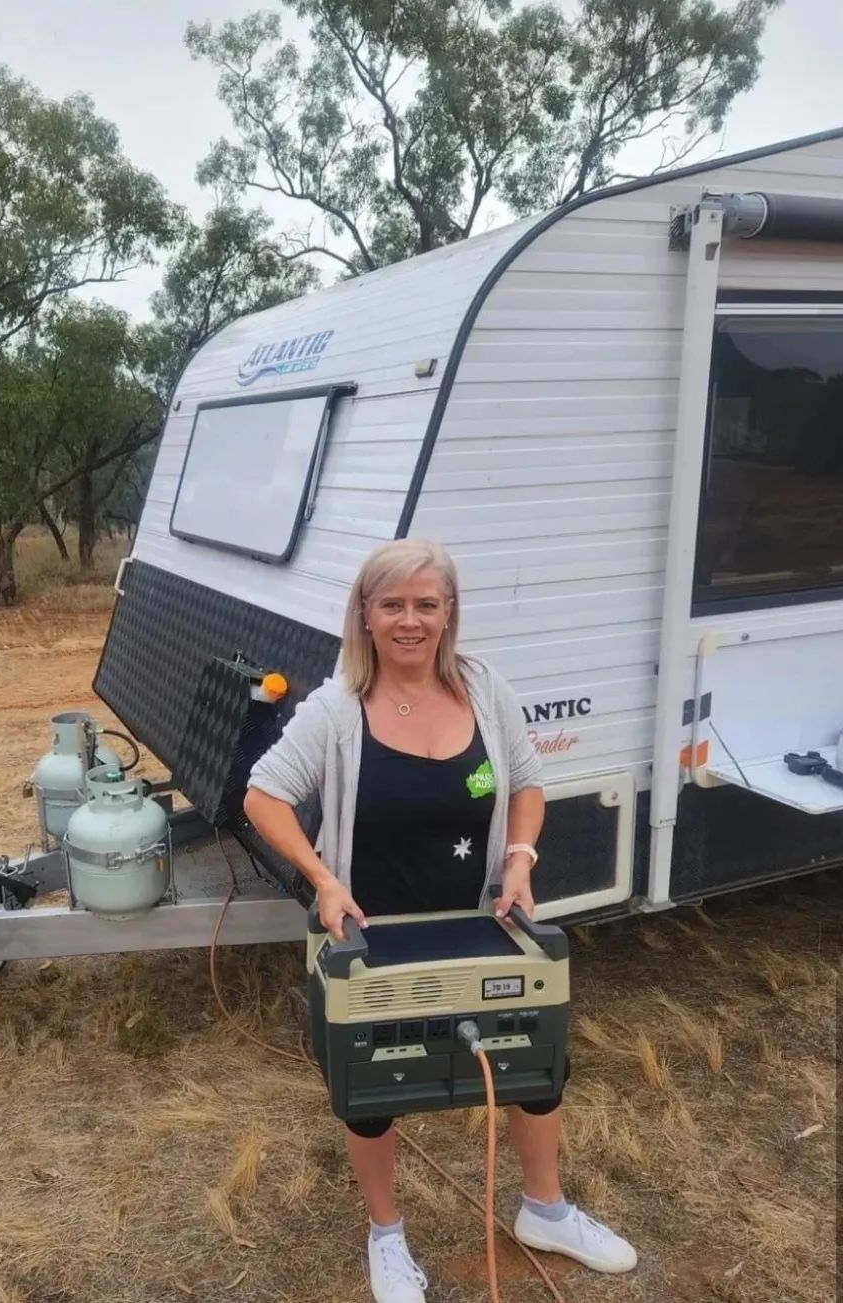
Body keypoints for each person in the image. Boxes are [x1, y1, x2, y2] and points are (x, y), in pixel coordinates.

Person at [244, 540, 637, 1303]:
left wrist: (519, 858)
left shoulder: (484, 688)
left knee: (534, 1064)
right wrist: (323, 880)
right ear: (365, 613)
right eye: (392, 604)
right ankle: (386, 1234)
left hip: (479, 921)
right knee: (373, 1088)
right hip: (374, 933)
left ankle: (545, 1209)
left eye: (426, 603)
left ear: (449, 611)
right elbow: (263, 795)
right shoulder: (337, 707)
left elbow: (528, 782)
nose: (410, 620)